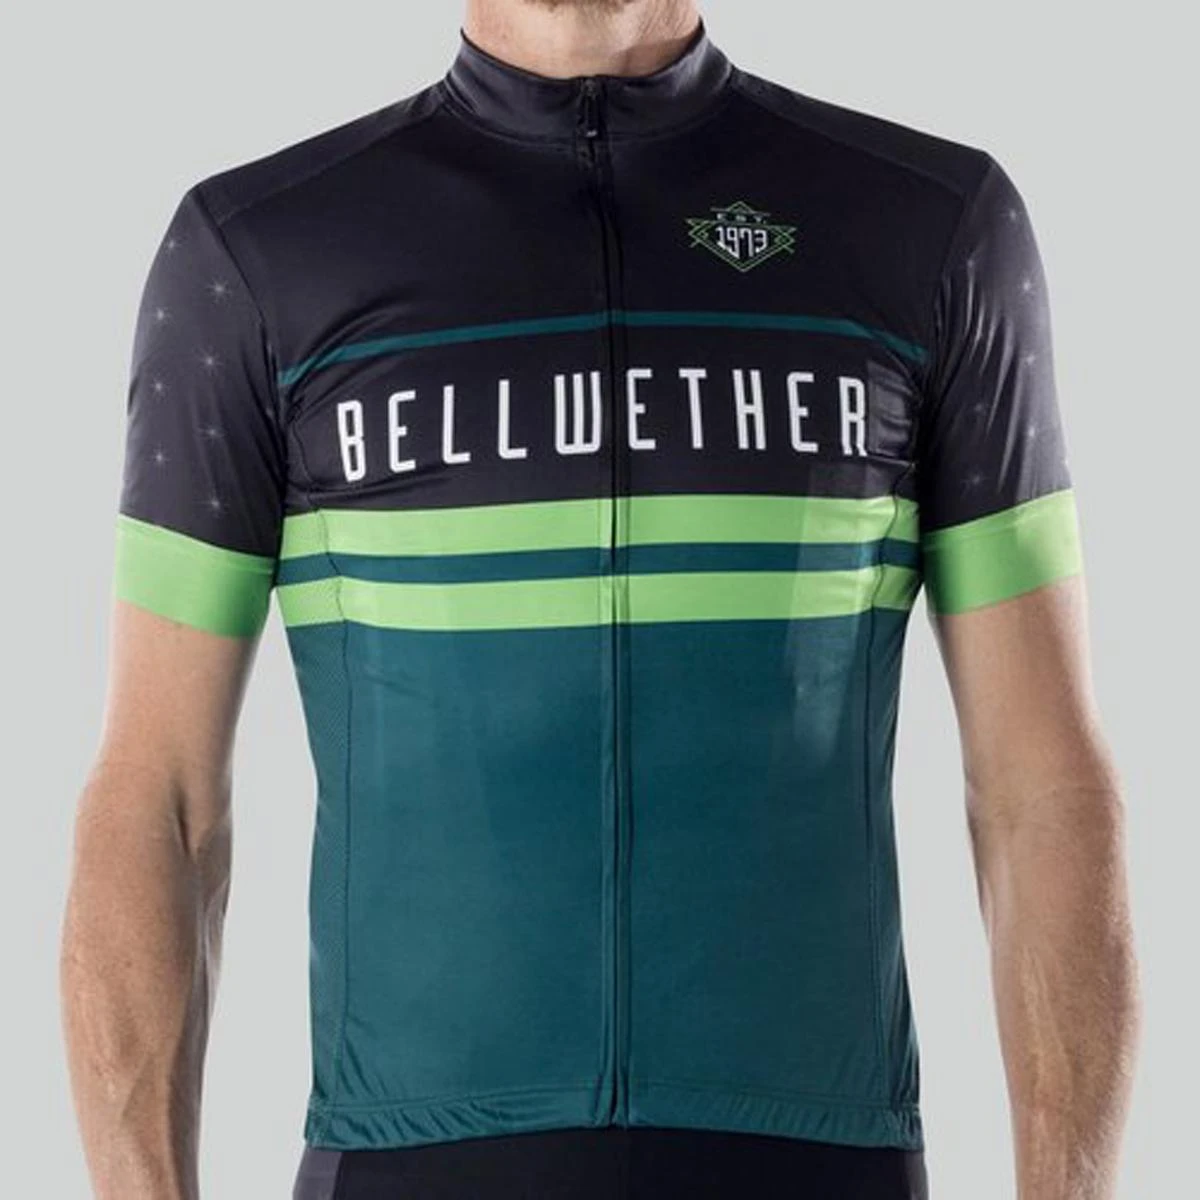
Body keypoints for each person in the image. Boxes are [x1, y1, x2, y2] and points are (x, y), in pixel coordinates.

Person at [60, 1, 1140, 1197]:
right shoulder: (261, 250)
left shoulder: (927, 223)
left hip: (813, 1150)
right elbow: (158, 794)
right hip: (409, 1155)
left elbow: (1041, 784)